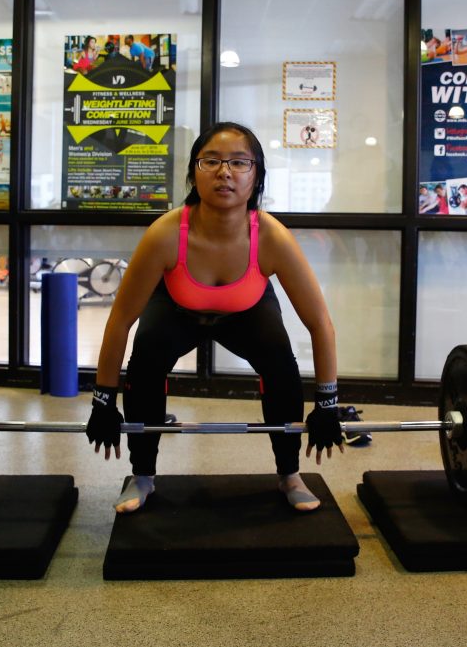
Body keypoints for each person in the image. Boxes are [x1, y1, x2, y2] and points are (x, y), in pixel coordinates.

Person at [86, 122, 353, 514]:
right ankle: (142, 475)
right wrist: (103, 400)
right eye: (210, 161)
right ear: (194, 173)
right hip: (177, 306)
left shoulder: (272, 237)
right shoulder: (164, 234)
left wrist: (328, 403)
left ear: (256, 175)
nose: (224, 172)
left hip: (247, 308)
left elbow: (320, 323)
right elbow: (120, 320)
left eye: (239, 162)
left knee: (281, 366)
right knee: (145, 363)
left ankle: (289, 473)